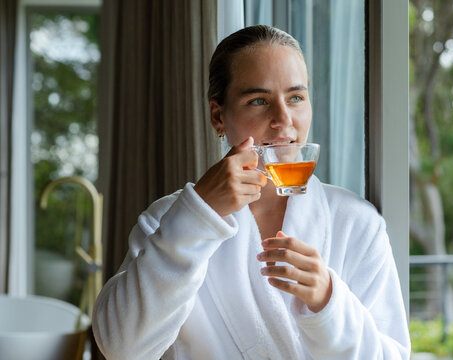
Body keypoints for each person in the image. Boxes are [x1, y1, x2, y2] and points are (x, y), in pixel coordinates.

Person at [92, 25, 411, 359]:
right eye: (259, 101)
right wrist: (199, 214)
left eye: (296, 98)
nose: (283, 119)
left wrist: (328, 301)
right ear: (219, 116)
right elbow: (120, 348)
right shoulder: (167, 220)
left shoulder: (356, 222)